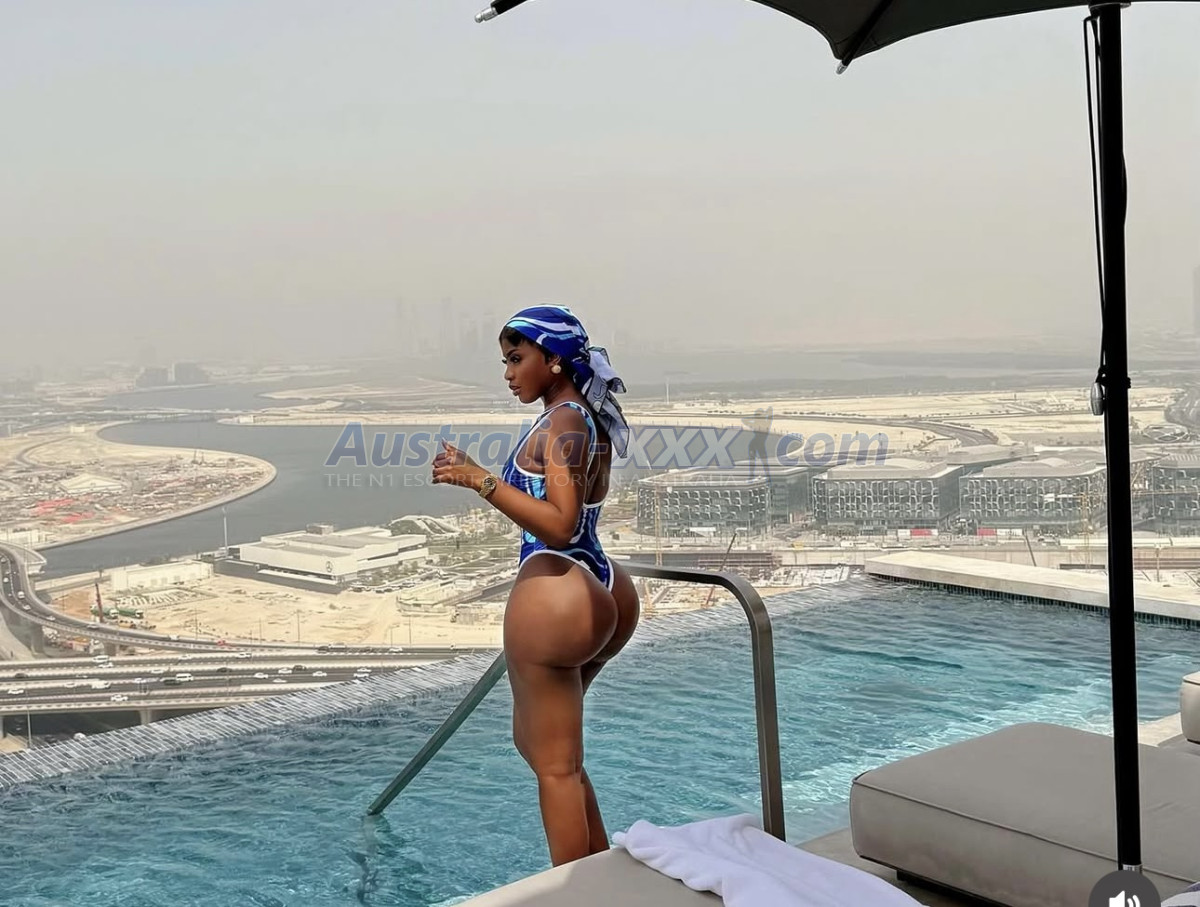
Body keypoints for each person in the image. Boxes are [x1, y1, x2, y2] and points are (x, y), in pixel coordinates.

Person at [431, 304, 641, 866]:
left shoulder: (563, 423)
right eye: (505, 361)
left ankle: (578, 894)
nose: (508, 373)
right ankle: (602, 875)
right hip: (602, 584)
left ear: (554, 361)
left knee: (554, 766)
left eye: (516, 359)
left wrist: (479, 479)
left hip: (557, 588)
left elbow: (561, 523)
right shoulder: (584, 417)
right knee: (551, 751)